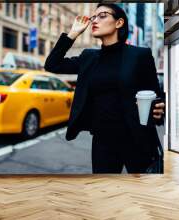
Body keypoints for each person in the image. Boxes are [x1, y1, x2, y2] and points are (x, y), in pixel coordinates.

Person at [44, 3, 165, 174]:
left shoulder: (139, 55)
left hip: (137, 138)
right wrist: (73, 34)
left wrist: (160, 107)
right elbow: (52, 65)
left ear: (119, 23)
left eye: (102, 16)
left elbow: (155, 95)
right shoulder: (89, 57)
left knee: (142, 194)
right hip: (103, 142)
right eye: (94, 17)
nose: (94, 20)